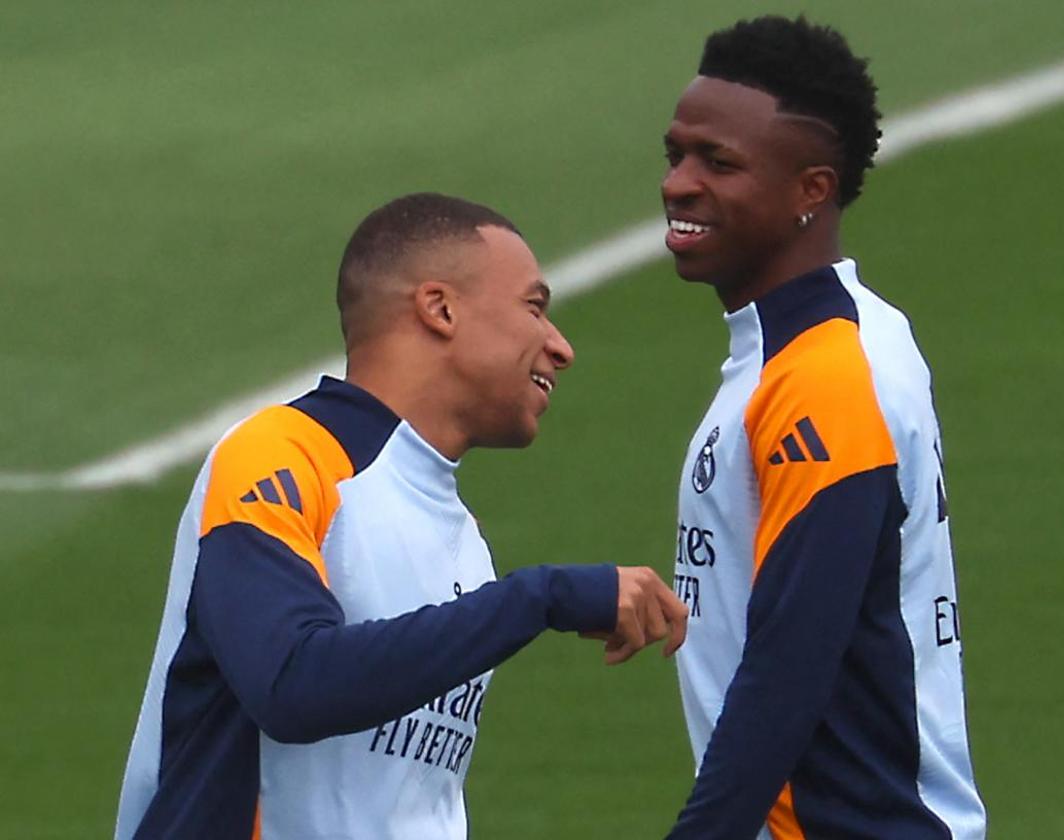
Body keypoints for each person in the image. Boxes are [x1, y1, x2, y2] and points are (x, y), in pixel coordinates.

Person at [114, 192, 688, 839]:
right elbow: (291, 684)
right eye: (534, 308)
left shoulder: (461, 538)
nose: (561, 347)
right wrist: (540, 598)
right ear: (440, 308)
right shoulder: (281, 456)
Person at [660, 16, 986, 839]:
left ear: (811, 190)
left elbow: (791, 662)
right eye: (677, 155)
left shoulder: (822, 377)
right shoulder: (835, 343)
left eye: (718, 163)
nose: (679, 184)